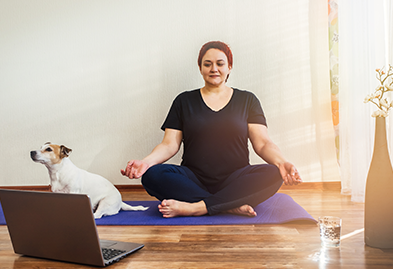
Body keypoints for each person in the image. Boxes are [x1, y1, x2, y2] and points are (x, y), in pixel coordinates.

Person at [121, 41, 302, 218]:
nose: (213, 69)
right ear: (200, 68)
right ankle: (229, 206)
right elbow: (169, 145)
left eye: (220, 64)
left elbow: (263, 143)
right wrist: (146, 162)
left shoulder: (247, 100)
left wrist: (281, 162)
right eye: (207, 64)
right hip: (192, 180)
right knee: (152, 175)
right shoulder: (183, 101)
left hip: (235, 180)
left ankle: (196, 208)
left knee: (273, 174)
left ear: (229, 67)